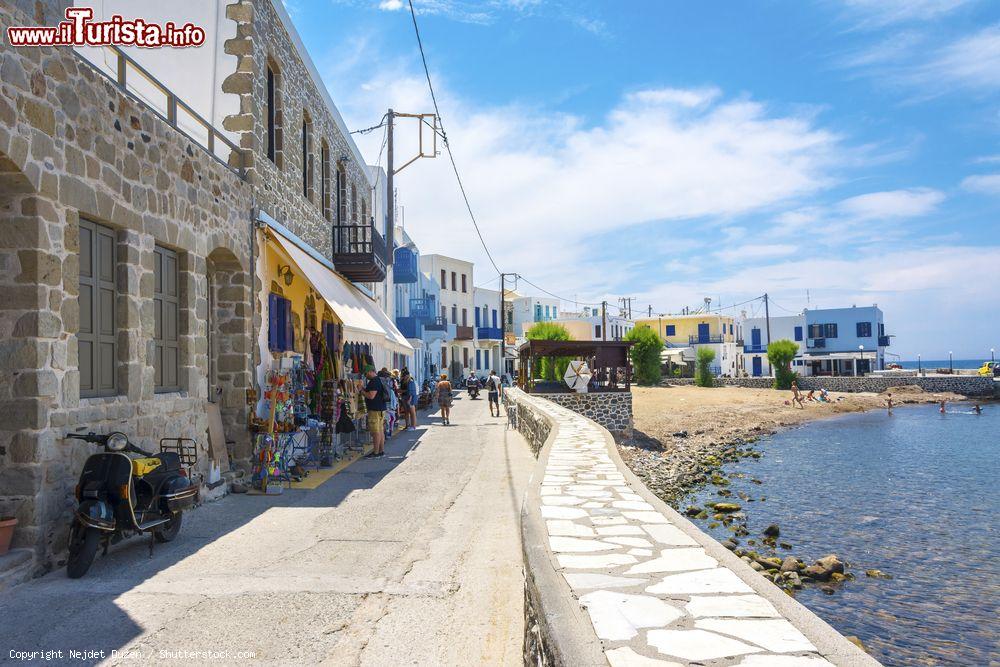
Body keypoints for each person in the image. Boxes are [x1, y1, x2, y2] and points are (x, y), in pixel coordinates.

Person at [363, 366, 388, 458]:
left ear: (370, 372)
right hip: (381, 409)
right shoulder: (379, 380)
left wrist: (361, 390)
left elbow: (371, 396)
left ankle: (376, 453)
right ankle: (381, 451)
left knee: (375, 432)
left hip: (375, 410)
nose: (366, 376)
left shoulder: (374, 381)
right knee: (380, 430)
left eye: (366, 374)